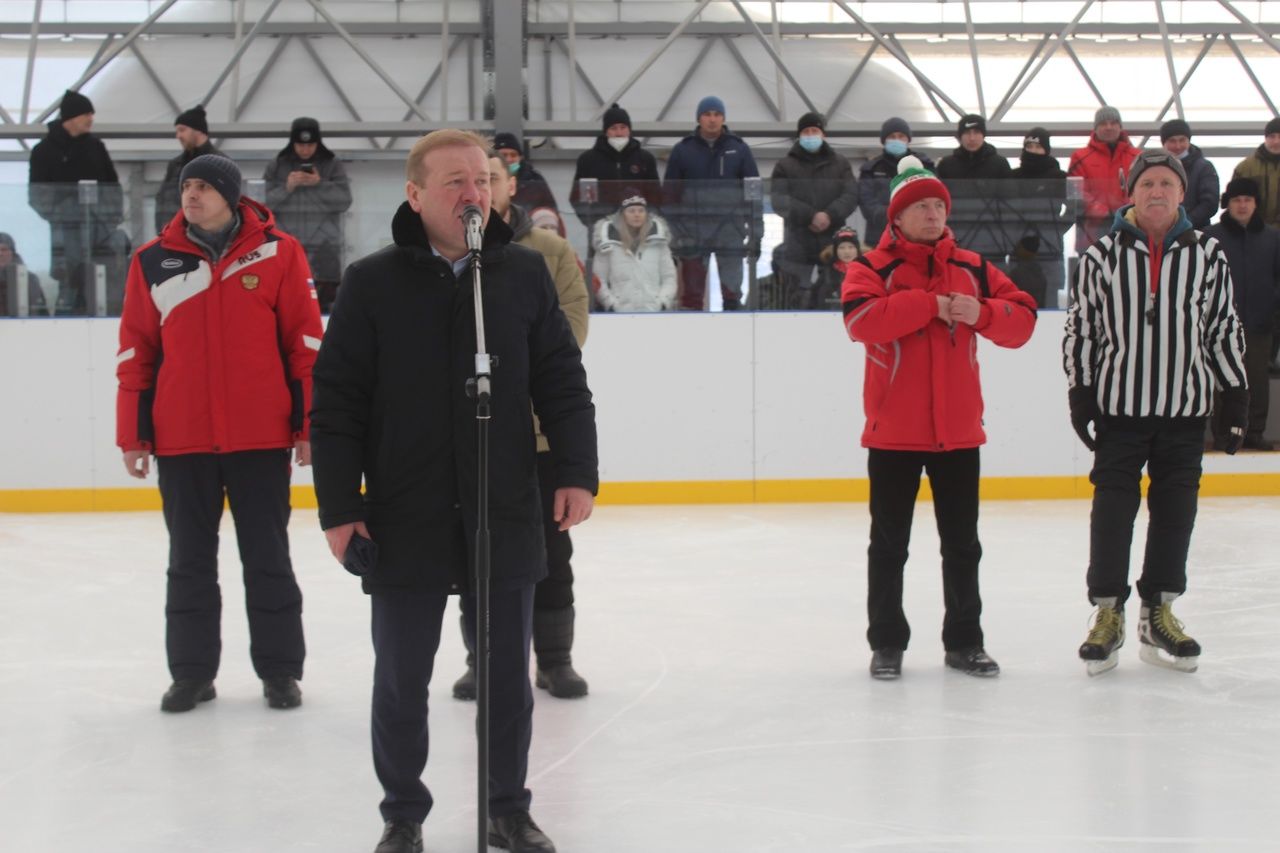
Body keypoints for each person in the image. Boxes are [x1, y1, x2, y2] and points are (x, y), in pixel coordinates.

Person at [309, 129, 597, 853]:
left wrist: (574, 470)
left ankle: (507, 806)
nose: (473, 192)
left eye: (482, 178)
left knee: (506, 679)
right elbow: (336, 402)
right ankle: (402, 813)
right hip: (404, 513)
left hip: (505, 507)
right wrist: (341, 509)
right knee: (403, 678)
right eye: (454, 182)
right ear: (415, 195)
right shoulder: (372, 283)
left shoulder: (522, 274)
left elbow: (562, 381)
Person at [116, 154, 321, 713]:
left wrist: (306, 428)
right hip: (182, 442)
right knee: (188, 562)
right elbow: (136, 353)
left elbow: (304, 348)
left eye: (204, 186)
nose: (192, 194)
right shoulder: (152, 262)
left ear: (231, 195)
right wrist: (134, 437)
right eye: (187, 185)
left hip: (260, 439)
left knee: (268, 558)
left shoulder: (280, 253)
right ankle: (191, 674)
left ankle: (280, 672)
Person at [841, 157, 1037, 680]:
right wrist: (931, 305)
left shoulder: (974, 268)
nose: (931, 214)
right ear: (897, 217)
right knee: (888, 547)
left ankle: (965, 642)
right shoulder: (871, 267)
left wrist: (982, 313)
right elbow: (862, 322)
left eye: (937, 205)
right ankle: (887, 643)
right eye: (919, 206)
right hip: (893, 435)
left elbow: (1023, 323)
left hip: (959, 434)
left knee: (963, 546)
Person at [1064, 150, 1248, 677]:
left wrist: (1235, 395)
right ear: (1132, 193)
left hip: (1185, 412)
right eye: (1147, 183)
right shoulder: (1100, 258)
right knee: (1113, 515)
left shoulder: (1209, 255)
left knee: (1174, 515)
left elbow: (1222, 329)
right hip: (1120, 412)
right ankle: (1108, 614)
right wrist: (1081, 392)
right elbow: (1082, 331)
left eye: (1167, 183)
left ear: (1182, 193)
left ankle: (1158, 612)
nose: (1157, 192)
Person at [450, 148, 593, 703]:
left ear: (508, 187)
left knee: (551, 553)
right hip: (471, 435)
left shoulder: (550, 251)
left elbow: (570, 325)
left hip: (536, 432)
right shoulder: (450, 252)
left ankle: (555, 660)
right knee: (474, 552)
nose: (480, 188)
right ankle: (479, 662)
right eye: (469, 179)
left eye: (490, 179)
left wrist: (509, 376)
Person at [28, 89, 126, 315]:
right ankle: (65, 318)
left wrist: (110, 218)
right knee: (69, 282)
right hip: (66, 233)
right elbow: (36, 195)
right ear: (71, 117)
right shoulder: (43, 151)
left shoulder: (96, 147)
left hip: (100, 230)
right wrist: (63, 213)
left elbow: (113, 186)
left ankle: (111, 316)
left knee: (105, 279)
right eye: (86, 114)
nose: (91, 119)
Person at [663, 95, 762, 310]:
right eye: (707, 114)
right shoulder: (683, 150)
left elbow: (753, 193)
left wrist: (757, 233)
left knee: (732, 294)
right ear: (699, 118)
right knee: (691, 296)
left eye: (717, 114)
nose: (712, 119)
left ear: (723, 118)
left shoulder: (740, 149)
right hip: (693, 234)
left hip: (731, 232)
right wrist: (679, 233)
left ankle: (734, 338)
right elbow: (669, 197)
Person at [1206, 178, 1280, 451]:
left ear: (1256, 204)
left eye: (1247, 200)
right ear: (1229, 203)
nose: (1242, 205)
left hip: (1260, 323)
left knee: (1257, 381)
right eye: (1237, 200)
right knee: (1222, 380)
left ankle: (1254, 432)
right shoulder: (1211, 236)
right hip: (1220, 325)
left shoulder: (1273, 238)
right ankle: (1223, 433)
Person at [769, 111, 858, 309]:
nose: (811, 135)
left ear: (823, 134)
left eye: (815, 130)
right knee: (797, 294)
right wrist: (810, 216)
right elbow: (779, 199)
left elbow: (851, 195)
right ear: (799, 136)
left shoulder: (841, 163)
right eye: (806, 131)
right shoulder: (784, 165)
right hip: (798, 241)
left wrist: (829, 215)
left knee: (833, 290)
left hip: (833, 240)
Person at [263, 117, 352, 313]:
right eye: (300, 145)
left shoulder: (332, 164)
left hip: (324, 247)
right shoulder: (277, 165)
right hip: (286, 243)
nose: (305, 150)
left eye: (310, 145)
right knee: (286, 300)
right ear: (292, 143)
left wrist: (319, 184)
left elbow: (345, 201)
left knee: (326, 308)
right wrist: (287, 188)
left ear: (318, 142)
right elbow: (261, 205)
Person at [568, 102, 661, 229]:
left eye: (623, 127)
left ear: (629, 130)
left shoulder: (645, 159)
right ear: (606, 131)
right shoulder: (588, 160)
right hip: (602, 231)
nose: (619, 133)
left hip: (638, 230)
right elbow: (579, 198)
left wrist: (646, 223)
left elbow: (655, 197)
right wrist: (593, 224)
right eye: (613, 128)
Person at [1068, 106, 1141, 251]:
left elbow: (1143, 188)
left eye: (1113, 123)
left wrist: (1124, 211)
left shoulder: (1137, 156)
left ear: (1120, 127)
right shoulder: (1080, 157)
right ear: (1095, 128)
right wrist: (1101, 211)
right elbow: (1075, 192)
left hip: (1130, 232)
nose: (1109, 127)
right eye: (1103, 123)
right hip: (1090, 235)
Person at [590, 194, 678, 312]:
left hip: (654, 312)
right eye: (631, 211)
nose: (637, 214)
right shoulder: (608, 244)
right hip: (620, 314)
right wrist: (611, 304)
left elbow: (669, 277)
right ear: (622, 215)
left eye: (641, 210)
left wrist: (662, 303)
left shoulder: (659, 243)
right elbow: (599, 279)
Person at [857, 117, 935, 249]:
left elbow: (933, 194)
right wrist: (892, 216)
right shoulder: (870, 169)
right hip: (879, 235)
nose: (897, 140)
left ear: (908, 140)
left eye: (901, 136)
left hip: (916, 233)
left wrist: (910, 216)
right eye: (892, 137)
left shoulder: (923, 166)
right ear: (884, 141)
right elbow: (866, 201)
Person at [154, 105, 221, 234]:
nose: (178, 135)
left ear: (198, 131)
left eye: (182, 130)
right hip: (174, 236)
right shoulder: (175, 164)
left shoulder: (219, 163)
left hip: (206, 238)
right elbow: (161, 200)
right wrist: (163, 232)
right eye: (177, 131)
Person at [1160, 119, 1219, 229]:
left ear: (1189, 140)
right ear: (1164, 143)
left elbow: (1210, 203)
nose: (1178, 146)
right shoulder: (1156, 169)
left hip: (1196, 231)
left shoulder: (1204, 168)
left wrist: (1185, 222)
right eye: (1172, 141)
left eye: (1182, 140)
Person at [1232, 117, 1280, 229]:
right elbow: (1234, 199)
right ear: (1265, 138)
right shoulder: (1245, 167)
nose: (1276, 141)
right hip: (1253, 230)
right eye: (1272, 136)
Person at [493, 132, 559, 213]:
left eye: (513, 155)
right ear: (494, 158)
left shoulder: (534, 179)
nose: (509, 159)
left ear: (520, 158)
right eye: (504, 155)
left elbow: (550, 209)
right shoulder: (484, 179)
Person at [935, 114, 1012, 181]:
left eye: (977, 132)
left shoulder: (1000, 163)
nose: (972, 138)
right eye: (967, 133)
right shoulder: (946, 164)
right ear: (960, 136)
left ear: (983, 135)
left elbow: (1009, 194)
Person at [0, 232, 49, 316]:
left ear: (12, 252)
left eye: (4, 250)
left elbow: (41, 314)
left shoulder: (29, 279)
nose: (0, 254)